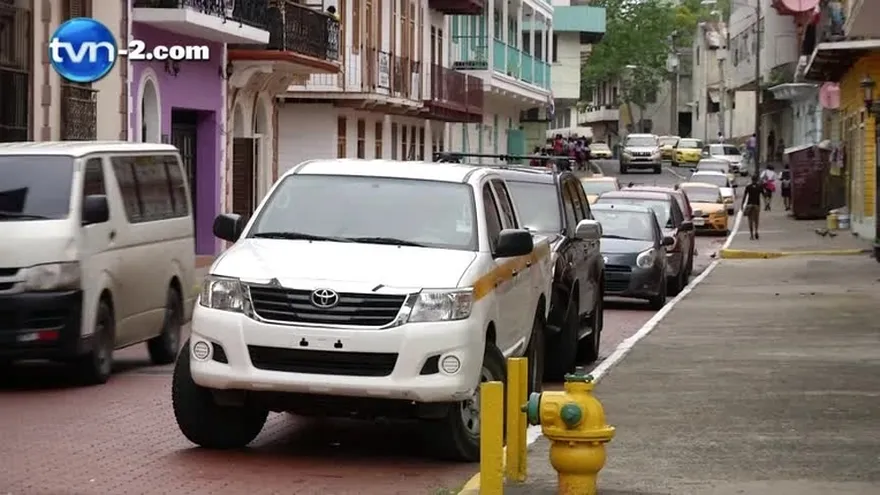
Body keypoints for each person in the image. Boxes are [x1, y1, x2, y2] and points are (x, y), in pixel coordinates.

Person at [742, 174, 764, 240]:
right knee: (756, 220)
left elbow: (745, 196)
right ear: (757, 180)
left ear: (751, 180)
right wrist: (767, 204)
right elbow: (764, 195)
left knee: (750, 220)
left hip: (749, 204)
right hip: (757, 205)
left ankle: (751, 235)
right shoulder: (759, 186)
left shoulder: (748, 187)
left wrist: (742, 204)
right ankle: (756, 231)